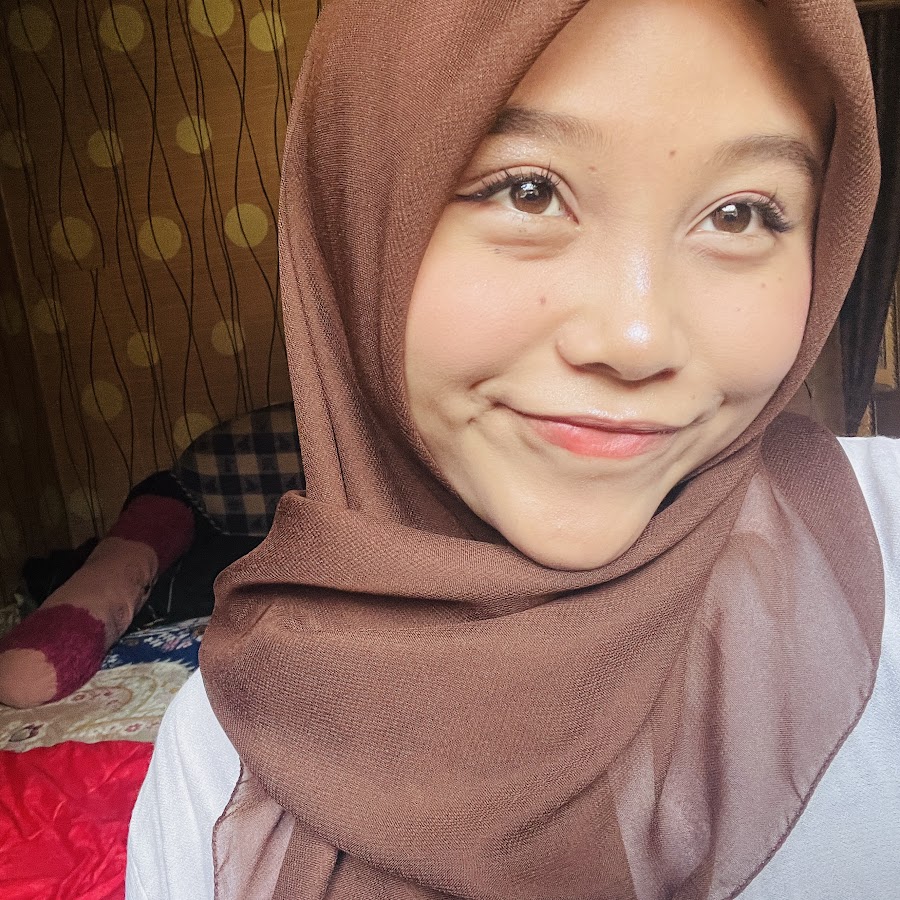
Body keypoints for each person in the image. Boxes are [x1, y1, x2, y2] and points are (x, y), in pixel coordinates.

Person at [126, 0, 900, 897]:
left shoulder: (887, 548)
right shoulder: (219, 762)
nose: (638, 337)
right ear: (353, 229)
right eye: (526, 191)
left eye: (741, 214)